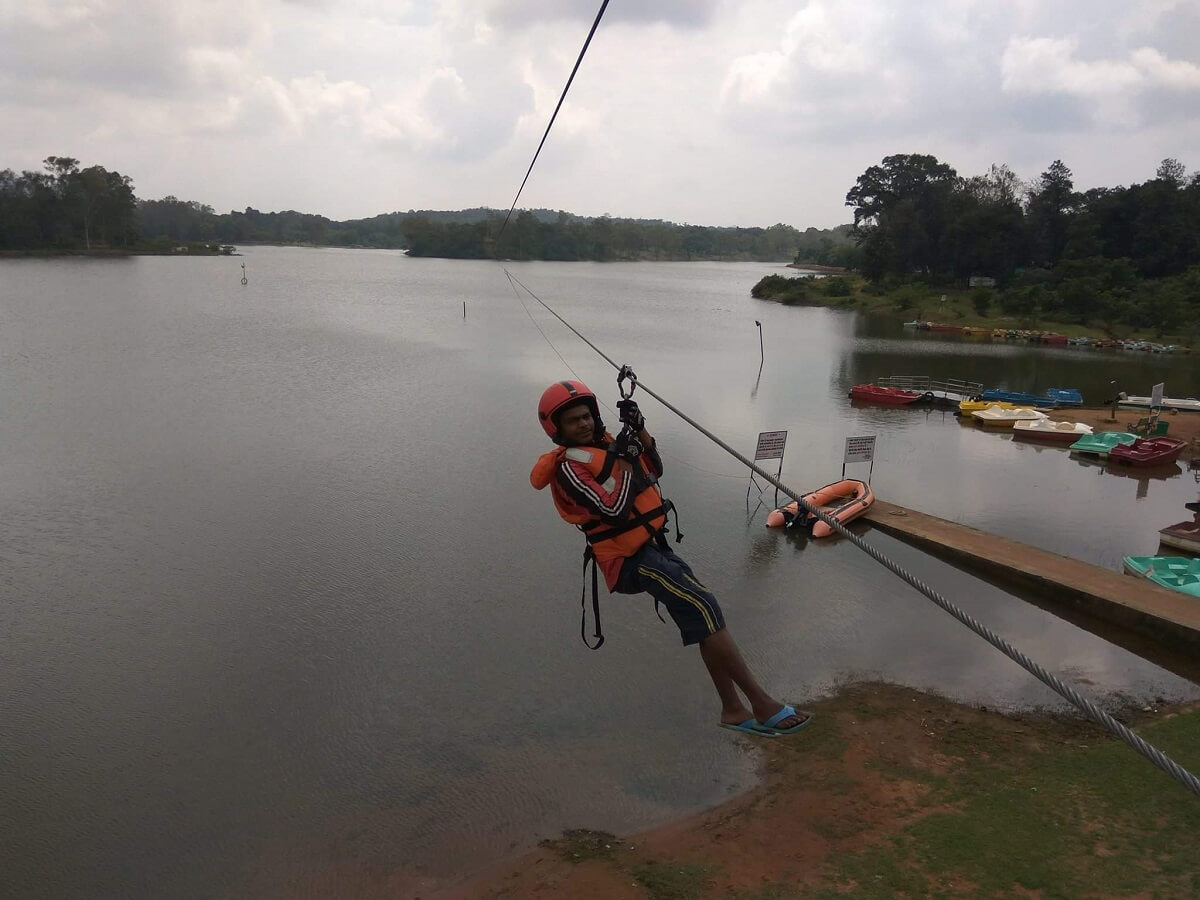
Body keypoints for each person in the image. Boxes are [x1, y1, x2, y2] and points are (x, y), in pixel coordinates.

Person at [529, 378, 811, 737]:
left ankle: (734, 710)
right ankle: (763, 704)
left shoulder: (609, 446)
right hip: (628, 561)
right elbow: (613, 511)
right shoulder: (570, 468)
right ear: (558, 430)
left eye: (586, 416)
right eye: (573, 421)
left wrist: (639, 430)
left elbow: (654, 468)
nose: (583, 424)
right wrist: (627, 460)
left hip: (653, 548)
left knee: (703, 616)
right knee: (705, 606)